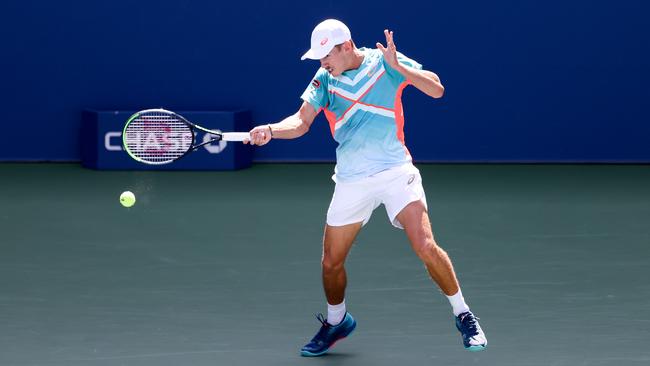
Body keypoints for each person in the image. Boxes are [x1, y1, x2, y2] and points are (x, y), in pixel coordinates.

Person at [245, 19, 487, 356]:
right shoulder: (325, 79)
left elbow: (437, 89)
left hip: (394, 171)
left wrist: (398, 66)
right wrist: (271, 130)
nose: (321, 63)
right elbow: (301, 121)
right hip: (352, 179)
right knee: (331, 262)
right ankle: (336, 321)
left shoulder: (385, 63)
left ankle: (464, 314)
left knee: (425, 244)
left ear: (346, 47)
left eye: (325, 55)